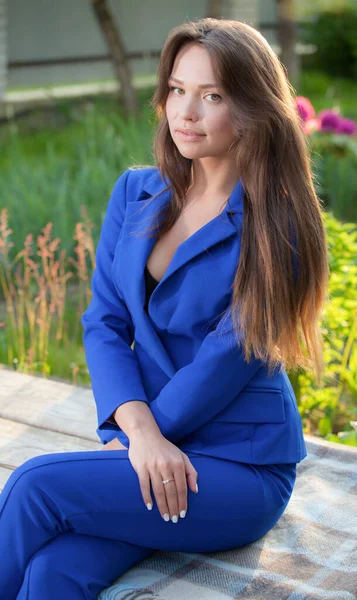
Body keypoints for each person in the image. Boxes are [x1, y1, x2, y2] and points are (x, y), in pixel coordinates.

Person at [0, 17, 329, 600]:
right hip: (150, 439)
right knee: (54, 572)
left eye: (212, 96)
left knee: (34, 486)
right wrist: (138, 430)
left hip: (237, 466)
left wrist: (139, 442)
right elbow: (103, 322)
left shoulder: (277, 226)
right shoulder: (136, 191)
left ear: (252, 107)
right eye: (177, 90)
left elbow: (225, 363)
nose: (186, 112)